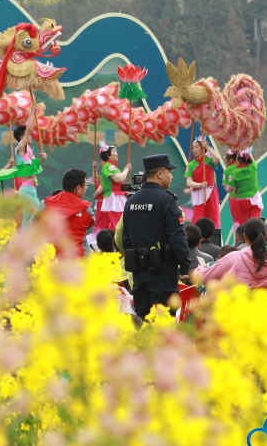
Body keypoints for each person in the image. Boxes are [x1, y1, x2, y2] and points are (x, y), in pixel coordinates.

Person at [120, 154, 191, 319]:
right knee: (163, 324)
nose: (171, 176)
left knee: (142, 322)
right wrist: (185, 266)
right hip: (163, 275)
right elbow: (177, 237)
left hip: (139, 276)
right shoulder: (166, 200)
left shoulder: (131, 201)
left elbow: (126, 239)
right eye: (169, 172)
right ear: (159, 174)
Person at [194, 218, 267, 288]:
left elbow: (203, 277)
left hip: (234, 302)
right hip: (262, 302)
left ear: (245, 236)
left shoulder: (234, 257)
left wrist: (200, 268)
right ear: (265, 236)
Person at [42, 168, 95, 259]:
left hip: (51, 258)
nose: (86, 188)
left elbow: (34, 221)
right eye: (86, 185)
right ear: (78, 188)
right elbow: (91, 222)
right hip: (78, 259)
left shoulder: (45, 204)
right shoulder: (87, 210)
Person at [13, 108, 47, 228]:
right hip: (27, 188)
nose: (31, 137)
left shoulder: (28, 152)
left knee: (27, 217)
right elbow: (29, 129)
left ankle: (23, 238)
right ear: (23, 137)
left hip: (29, 188)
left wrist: (42, 160)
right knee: (40, 213)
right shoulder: (20, 147)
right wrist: (32, 112)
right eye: (28, 135)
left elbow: (36, 171)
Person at [91, 142, 131, 235]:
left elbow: (115, 184)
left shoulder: (112, 167)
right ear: (107, 155)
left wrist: (126, 190)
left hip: (117, 196)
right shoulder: (109, 167)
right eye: (114, 151)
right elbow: (119, 179)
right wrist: (127, 169)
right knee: (117, 225)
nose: (117, 154)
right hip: (114, 198)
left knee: (119, 224)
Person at [184, 136, 222, 227]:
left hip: (211, 191)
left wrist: (207, 147)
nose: (194, 150)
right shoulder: (191, 165)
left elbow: (218, 158)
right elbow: (189, 182)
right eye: (193, 148)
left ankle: (215, 234)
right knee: (199, 218)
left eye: (196, 147)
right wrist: (200, 185)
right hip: (198, 193)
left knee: (213, 216)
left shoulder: (209, 160)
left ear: (202, 149)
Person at [225, 149, 263, 229]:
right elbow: (251, 155)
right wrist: (245, 147)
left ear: (238, 161)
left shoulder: (234, 173)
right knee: (256, 224)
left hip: (242, 201)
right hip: (255, 199)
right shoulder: (253, 166)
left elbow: (229, 189)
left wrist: (228, 184)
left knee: (244, 225)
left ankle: (244, 236)